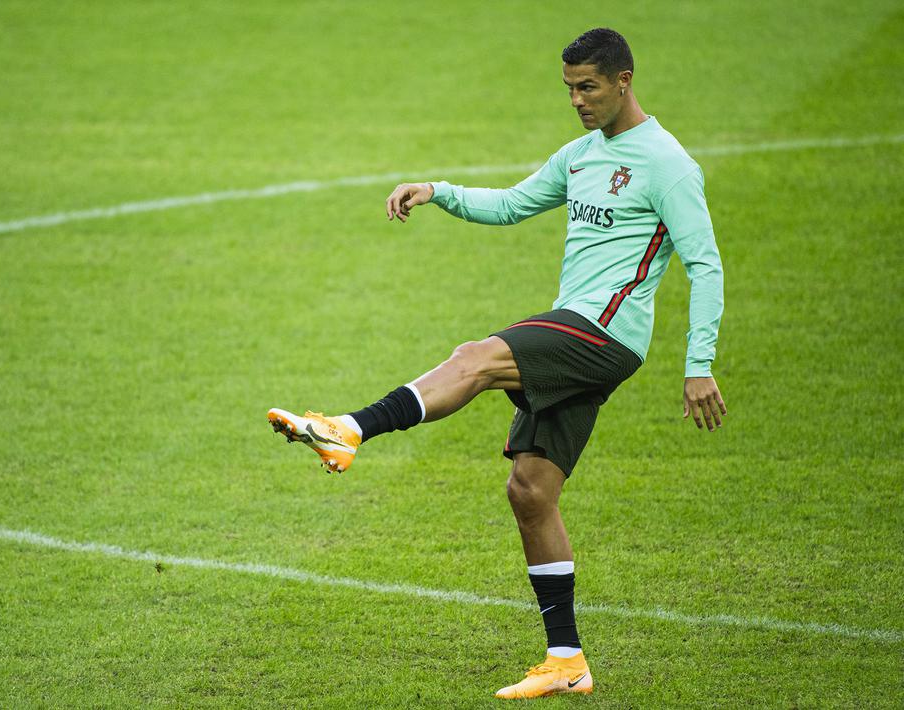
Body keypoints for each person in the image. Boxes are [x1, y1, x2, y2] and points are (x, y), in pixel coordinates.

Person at [267, 27, 727, 699]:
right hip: (579, 325)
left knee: (476, 358)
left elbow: (705, 262)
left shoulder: (667, 164)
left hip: (604, 332)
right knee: (530, 492)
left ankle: (349, 429)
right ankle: (566, 662)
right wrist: (437, 189)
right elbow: (513, 203)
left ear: (624, 80)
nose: (576, 100)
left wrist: (699, 362)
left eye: (588, 87)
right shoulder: (580, 155)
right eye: (568, 88)